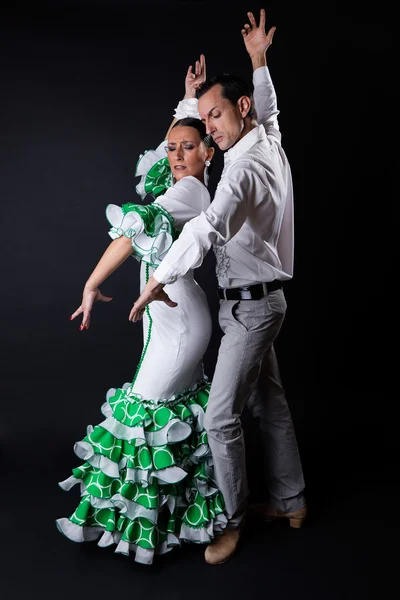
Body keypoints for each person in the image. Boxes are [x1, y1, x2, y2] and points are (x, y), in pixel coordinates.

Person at [129, 8, 307, 565]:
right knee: (269, 403)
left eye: (214, 119)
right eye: (203, 122)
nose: (208, 130)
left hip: (252, 311)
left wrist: (158, 276)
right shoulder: (266, 137)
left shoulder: (239, 170)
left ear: (241, 111)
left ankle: (231, 522)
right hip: (256, 304)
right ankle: (292, 501)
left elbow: (207, 228)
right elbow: (268, 108)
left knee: (219, 416)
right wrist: (257, 61)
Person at [55, 56, 233, 566]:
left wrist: (91, 284)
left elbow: (133, 232)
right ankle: (184, 519)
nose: (175, 156)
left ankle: (145, 531)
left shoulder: (190, 192)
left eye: (188, 148)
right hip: (169, 317)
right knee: (169, 414)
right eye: (173, 148)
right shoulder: (179, 177)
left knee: (146, 415)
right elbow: (167, 151)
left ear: (208, 154)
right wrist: (186, 100)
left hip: (178, 322)